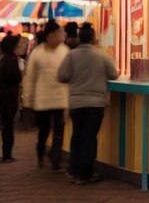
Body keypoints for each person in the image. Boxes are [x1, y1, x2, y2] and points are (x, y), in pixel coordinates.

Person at [58, 22, 119, 184]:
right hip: (95, 103)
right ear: (93, 38)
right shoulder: (102, 56)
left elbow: (62, 76)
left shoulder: (71, 55)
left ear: (79, 38)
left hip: (76, 102)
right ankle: (85, 174)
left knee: (77, 135)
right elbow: (113, 75)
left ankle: (73, 170)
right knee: (89, 138)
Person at [22, 20, 70, 170]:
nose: (61, 37)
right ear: (50, 36)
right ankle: (40, 152)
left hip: (61, 98)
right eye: (59, 34)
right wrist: (27, 102)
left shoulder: (65, 51)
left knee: (59, 129)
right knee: (43, 130)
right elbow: (30, 78)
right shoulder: (37, 53)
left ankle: (55, 158)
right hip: (42, 99)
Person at [0, 35, 22, 162]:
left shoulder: (4, 59)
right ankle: (7, 154)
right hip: (8, 98)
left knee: (6, 126)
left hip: (4, 97)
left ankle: (6, 153)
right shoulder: (11, 60)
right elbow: (15, 78)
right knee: (8, 127)